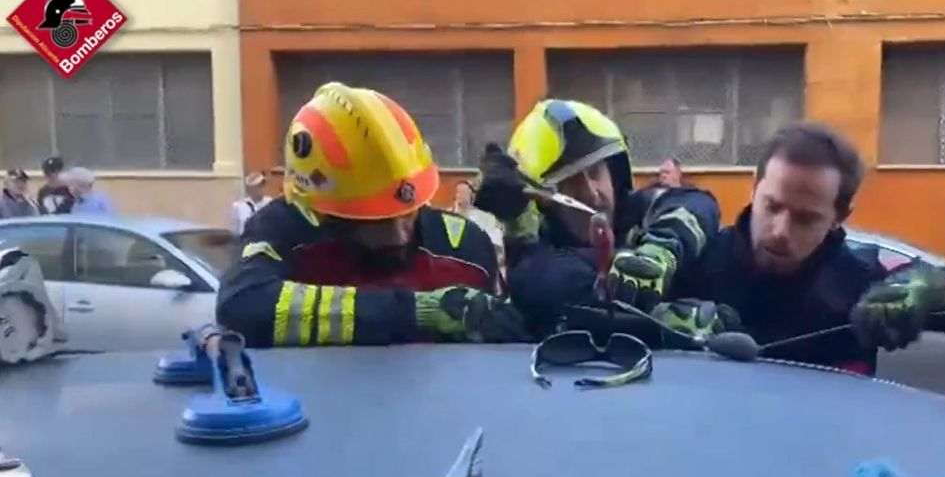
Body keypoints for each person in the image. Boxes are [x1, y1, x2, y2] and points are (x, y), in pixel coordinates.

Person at [659, 122, 945, 374]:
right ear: (754, 188)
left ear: (840, 215)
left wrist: (939, 290)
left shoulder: (862, 278)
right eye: (772, 206)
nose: (780, 230)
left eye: (805, 219)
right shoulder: (690, 262)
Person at [215, 82, 526, 349]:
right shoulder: (283, 230)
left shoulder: (465, 247)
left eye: (408, 212)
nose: (399, 235)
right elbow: (241, 308)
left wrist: (525, 228)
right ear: (320, 209)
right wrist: (415, 312)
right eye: (376, 219)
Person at [474, 99, 720, 332]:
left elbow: (697, 203)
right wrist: (663, 319)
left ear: (615, 172)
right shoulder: (539, 270)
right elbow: (558, 290)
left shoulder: (641, 209)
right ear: (543, 203)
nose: (592, 195)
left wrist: (660, 251)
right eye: (570, 185)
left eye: (595, 172)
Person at [451, 179, 504, 268]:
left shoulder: (485, 218)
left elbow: (497, 245)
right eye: (458, 192)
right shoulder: (448, 215)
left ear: (472, 196)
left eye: (464, 193)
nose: (461, 196)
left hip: (478, 263)